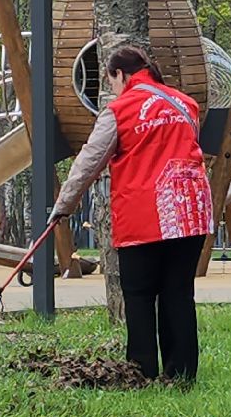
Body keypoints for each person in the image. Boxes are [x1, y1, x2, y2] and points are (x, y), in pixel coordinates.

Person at [52, 47, 214, 380]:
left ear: (119, 74)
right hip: (190, 211)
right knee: (178, 293)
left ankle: (141, 372)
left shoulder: (119, 111)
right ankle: (181, 375)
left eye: (110, 81)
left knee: (139, 294)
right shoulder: (185, 104)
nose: (112, 89)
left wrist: (63, 206)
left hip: (145, 214)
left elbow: (89, 162)